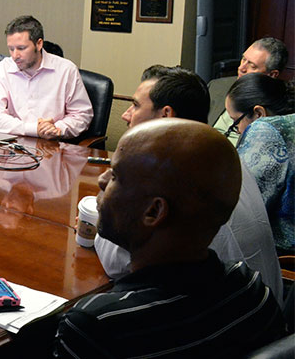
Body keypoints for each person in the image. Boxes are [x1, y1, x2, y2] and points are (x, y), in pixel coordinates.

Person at [54, 119, 284, 358]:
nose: (101, 179)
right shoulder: (252, 290)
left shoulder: (96, 325)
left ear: (153, 212)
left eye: (116, 176)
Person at [97, 65, 282, 302]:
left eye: (135, 105)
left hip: (221, 318)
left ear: (166, 114)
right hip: (258, 307)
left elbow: (119, 262)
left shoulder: (169, 172)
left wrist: (94, 216)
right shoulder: (224, 155)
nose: (126, 114)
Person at [0, 15, 92, 139]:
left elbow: (82, 115)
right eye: (11, 49)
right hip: (13, 145)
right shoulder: (2, 69)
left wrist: (58, 129)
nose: (15, 55)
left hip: (53, 146)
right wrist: (33, 129)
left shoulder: (66, 70)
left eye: (21, 48)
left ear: (39, 44)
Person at [226, 73, 295, 251]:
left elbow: (240, 209)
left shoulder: (265, 129)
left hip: (283, 260)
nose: (238, 131)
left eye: (236, 122)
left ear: (258, 113)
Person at [212, 37, 288, 145]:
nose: (241, 68)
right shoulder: (216, 86)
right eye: (243, 59)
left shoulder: (276, 111)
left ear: (272, 75)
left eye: (252, 66)